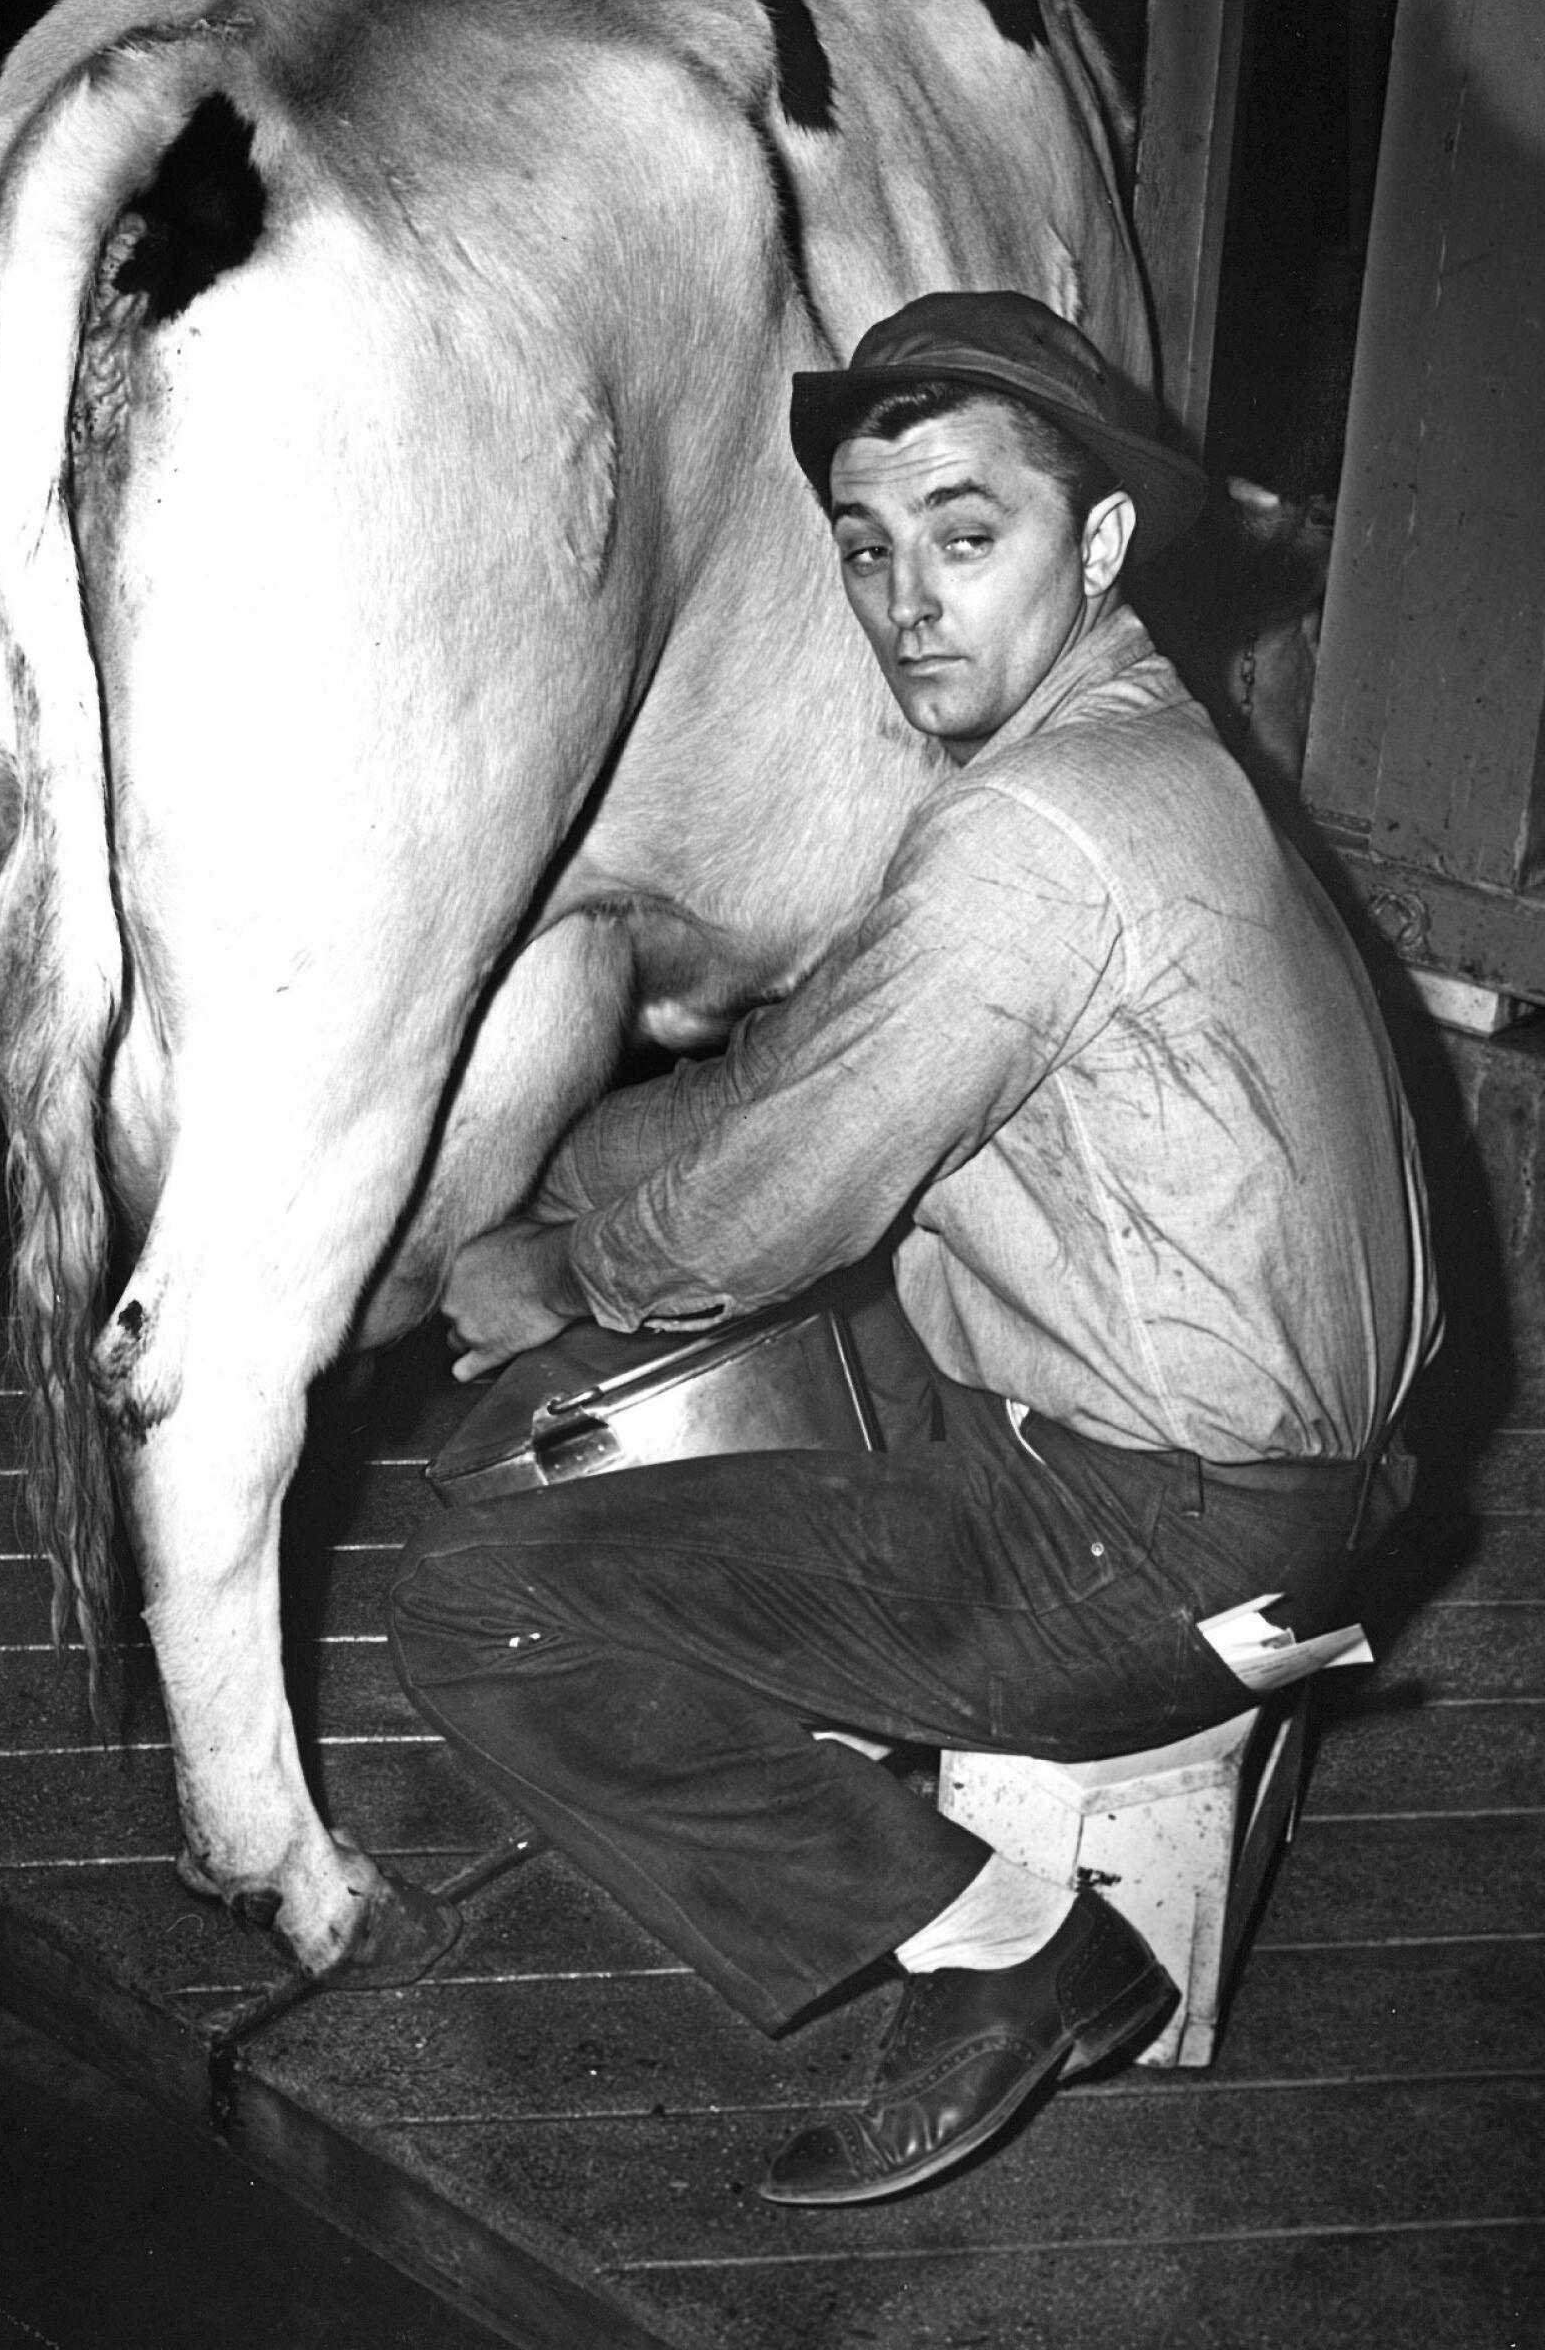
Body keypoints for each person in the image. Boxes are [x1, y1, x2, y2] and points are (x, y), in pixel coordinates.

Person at [387, 291, 1438, 2206]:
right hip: (1282, 1490)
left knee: (478, 1599)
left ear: (1098, 543)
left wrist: (552, 1267)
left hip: (1145, 1542)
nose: (907, 601)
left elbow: (777, 1195)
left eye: (970, 535)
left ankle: (1012, 1949)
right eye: (872, 551)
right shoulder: (1150, 758)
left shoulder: (1029, 834)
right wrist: (588, 1161)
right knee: (774, 1337)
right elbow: (822, 1073)